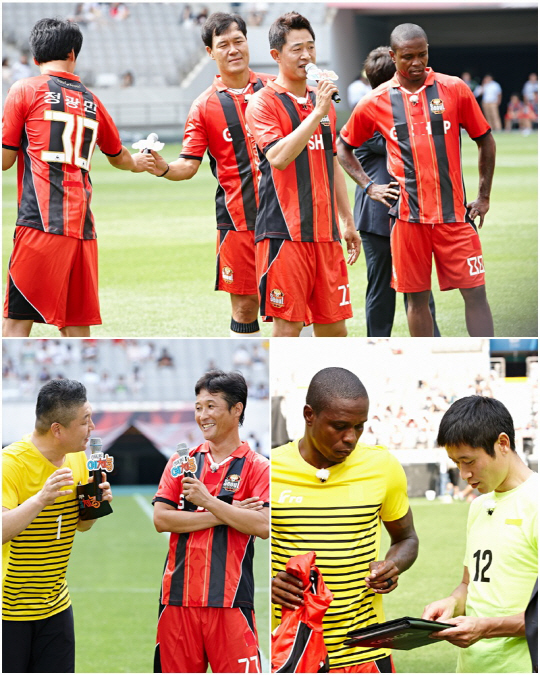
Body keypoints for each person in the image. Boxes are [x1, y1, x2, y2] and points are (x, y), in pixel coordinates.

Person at [338, 23, 496, 337]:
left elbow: (485, 139)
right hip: (407, 222)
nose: (416, 62)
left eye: (422, 54)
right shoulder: (376, 100)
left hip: (454, 218)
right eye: (408, 56)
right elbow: (343, 147)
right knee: (417, 300)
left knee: (476, 292)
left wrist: (483, 196)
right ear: (393, 56)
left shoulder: (454, 88)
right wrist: (369, 186)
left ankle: (483, 353)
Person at [2, 18, 154, 338]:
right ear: (73, 53)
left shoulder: (25, 89)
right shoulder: (92, 101)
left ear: (35, 56)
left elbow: (5, 160)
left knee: (16, 324)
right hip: (83, 230)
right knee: (76, 327)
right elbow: (120, 157)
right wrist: (139, 163)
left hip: (40, 224)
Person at [272, 367, 419, 671]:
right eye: (339, 426)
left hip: (365, 650)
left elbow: (406, 538)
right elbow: (242, 550)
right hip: (291, 651)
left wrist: (392, 565)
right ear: (309, 415)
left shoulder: (382, 467)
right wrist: (267, 583)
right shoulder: (270, 469)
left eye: (359, 427)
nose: (350, 437)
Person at [148, 13, 272, 338]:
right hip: (237, 222)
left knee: (294, 306)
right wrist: (164, 168)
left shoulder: (276, 88)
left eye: (238, 41)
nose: (233, 50)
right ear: (210, 52)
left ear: (248, 43)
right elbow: (188, 164)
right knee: (244, 307)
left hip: (286, 219)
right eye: (223, 44)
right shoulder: (203, 106)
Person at [246, 12, 360, 338]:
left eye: (310, 46)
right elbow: (278, 157)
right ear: (276, 55)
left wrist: (347, 221)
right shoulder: (262, 103)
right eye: (296, 49)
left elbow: (331, 162)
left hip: (326, 235)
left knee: (335, 330)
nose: (306, 55)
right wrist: (316, 113)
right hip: (284, 235)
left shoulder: (322, 102)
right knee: (288, 328)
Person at [152, 369, 269, 673]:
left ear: (236, 409)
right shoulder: (182, 463)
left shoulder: (258, 467)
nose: (202, 415)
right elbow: (162, 519)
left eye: (211, 406)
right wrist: (225, 514)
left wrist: (208, 502)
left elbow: (262, 525)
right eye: (198, 407)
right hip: (177, 601)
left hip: (231, 601)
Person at [2, 379, 113, 673]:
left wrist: (95, 504)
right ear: (57, 429)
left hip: (56, 606)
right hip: (7, 612)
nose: (92, 428)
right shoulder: (10, 464)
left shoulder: (78, 458)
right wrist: (41, 499)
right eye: (85, 421)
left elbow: (82, 526)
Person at [422, 396, 537, 674]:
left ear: (502, 443)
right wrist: (452, 603)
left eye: (469, 461)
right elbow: (469, 584)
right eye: (456, 463)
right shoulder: (478, 506)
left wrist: (485, 628)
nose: (463, 474)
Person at [352, 45, 439, 337]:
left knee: (419, 290)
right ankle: (379, 343)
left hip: (408, 214)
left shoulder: (391, 109)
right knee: (383, 290)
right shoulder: (370, 113)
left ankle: (430, 340)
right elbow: (402, 142)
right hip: (379, 218)